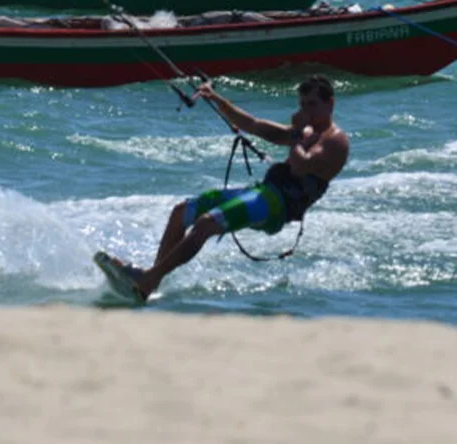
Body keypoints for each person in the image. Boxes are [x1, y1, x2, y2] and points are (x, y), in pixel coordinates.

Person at [113, 75, 350, 301]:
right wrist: (216, 99)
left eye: (313, 105)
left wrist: (298, 134)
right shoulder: (305, 132)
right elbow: (253, 124)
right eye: (302, 104)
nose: (306, 111)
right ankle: (150, 283)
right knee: (181, 212)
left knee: (205, 224)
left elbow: (300, 166)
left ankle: (148, 279)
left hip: (277, 207)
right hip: (261, 193)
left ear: (330, 104)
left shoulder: (335, 140)